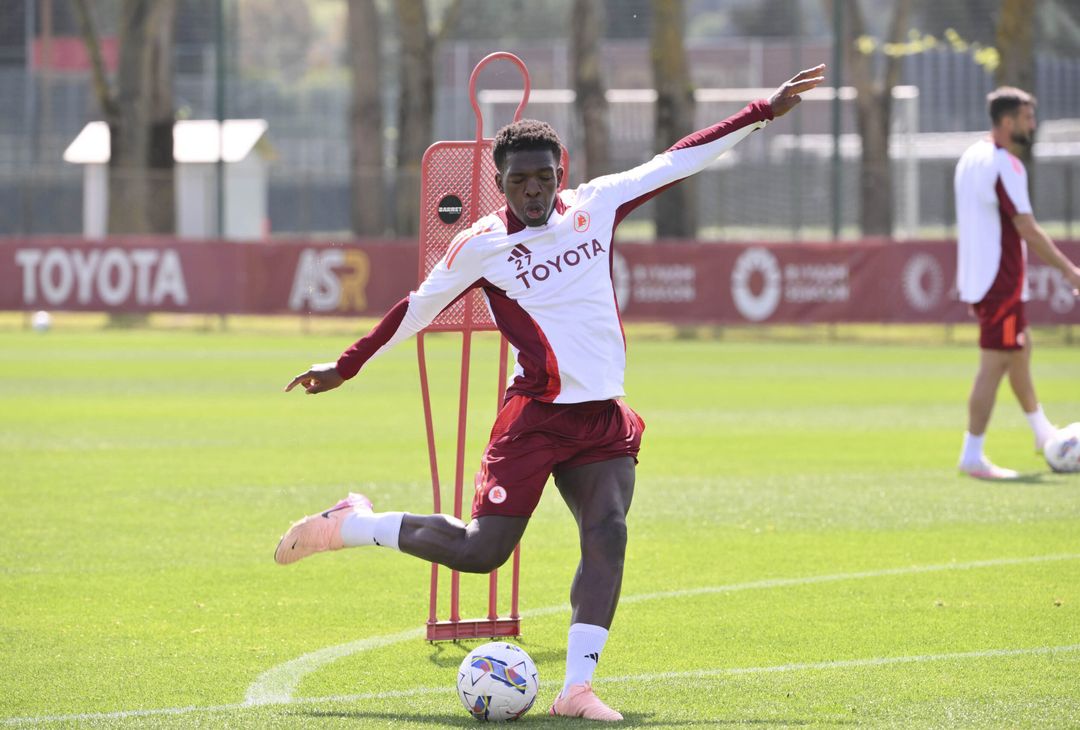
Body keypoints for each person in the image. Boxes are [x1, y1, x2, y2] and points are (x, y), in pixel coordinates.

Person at [276, 63, 827, 720]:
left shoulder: (595, 205)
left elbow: (676, 161)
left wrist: (763, 109)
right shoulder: (479, 246)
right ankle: (353, 525)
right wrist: (346, 365)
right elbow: (416, 309)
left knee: (609, 532)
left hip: (601, 417)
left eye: (543, 177)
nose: (533, 191)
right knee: (482, 553)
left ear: (560, 172)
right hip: (535, 418)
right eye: (518, 181)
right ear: (500, 184)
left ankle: (576, 688)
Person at [954, 86, 1080, 480]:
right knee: (995, 363)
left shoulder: (971, 156)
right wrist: (1068, 270)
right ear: (1008, 122)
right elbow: (1026, 226)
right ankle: (972, 454)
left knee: (1018, 352)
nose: (1033, 125)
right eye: (1027, 117)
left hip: (980, 276)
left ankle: (1044, 434)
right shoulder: (1006, 165)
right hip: (1001, 279)